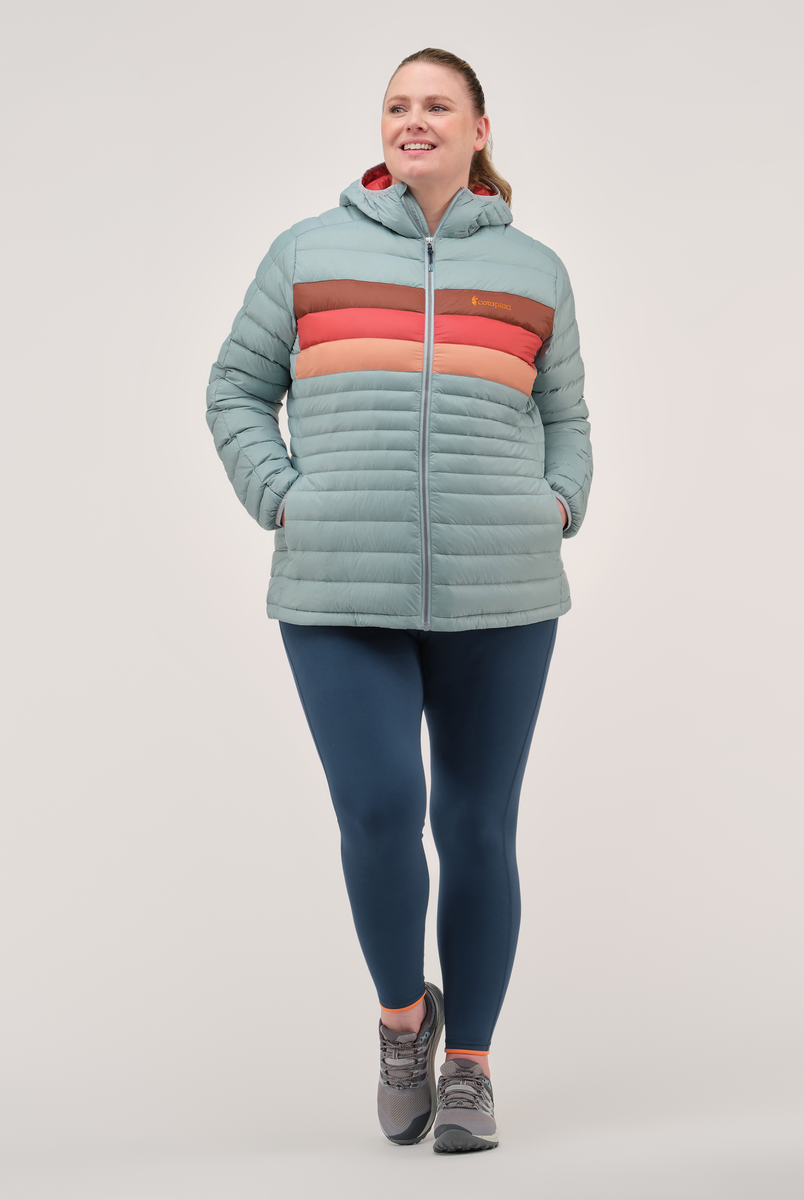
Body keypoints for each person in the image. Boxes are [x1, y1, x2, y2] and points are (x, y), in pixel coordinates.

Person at [206, 47, 592, 1154]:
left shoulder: (534, 270)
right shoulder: (306, 252)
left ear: (479, 129)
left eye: (436, 106)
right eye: (396, 105)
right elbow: (235, 388)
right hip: (338, 585)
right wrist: (284, 499)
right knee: (380, 810)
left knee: (476, 825)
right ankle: (403, 1022)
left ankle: (470, 1066)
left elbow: (568, 418)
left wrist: (559, 503)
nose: (412, 121)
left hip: (503, 587)